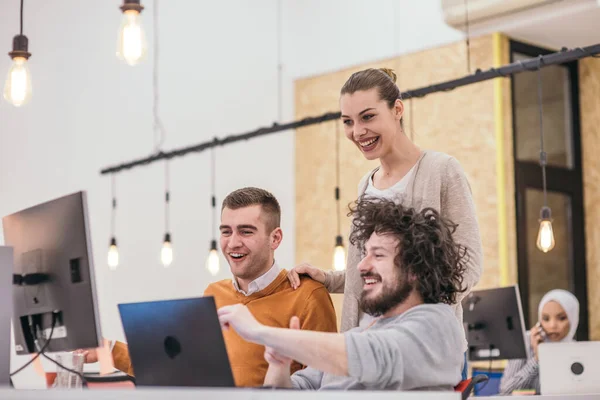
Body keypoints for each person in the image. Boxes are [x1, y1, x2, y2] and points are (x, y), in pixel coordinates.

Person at [287, 67, 483, 376]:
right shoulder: (366, 184)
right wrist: (328, 279)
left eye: (367, 117)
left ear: (397, 109)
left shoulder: (441, 171)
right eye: (348, 122)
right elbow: (375, 269)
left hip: (423, 349)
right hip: (367, 346)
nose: (357, 132)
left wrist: (414, 318)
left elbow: (468, 265)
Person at [81, 187, 338, 387]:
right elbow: (180, 370)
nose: (233, 243)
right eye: (226, 231)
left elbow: (323, 384)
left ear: (275, 238)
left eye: (246, 232)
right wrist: (109, 351)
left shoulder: (308, 296)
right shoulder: (214, 293)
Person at [218, 198, 467, 391]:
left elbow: (373, 356)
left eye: (378, 255)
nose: (361, 265)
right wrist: (279, 364)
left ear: (415, 269)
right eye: (365, 253)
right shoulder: (362, 332)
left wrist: (262, 332)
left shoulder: (437, 322)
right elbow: (295, 390)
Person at [499, 289, 580, 395]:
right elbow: (505, 391)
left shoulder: (576, 350)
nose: (552, 325)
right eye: (546, 319)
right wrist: (537, 359)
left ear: (573, 319)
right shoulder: (526, 342)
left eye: (561, 318)